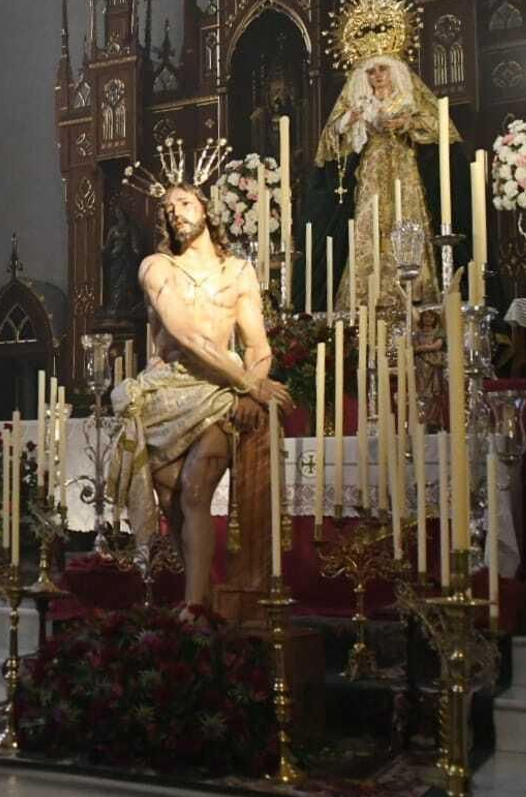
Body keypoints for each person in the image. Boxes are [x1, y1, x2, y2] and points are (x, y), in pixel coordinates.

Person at [111, 179, 295, 607]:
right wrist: (250, 383)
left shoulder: (238, 272)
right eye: (168, 208)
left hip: (216, 392)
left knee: (195, 490)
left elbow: (257, 347)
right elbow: (186, 333)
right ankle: (206, 602)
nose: (175, 211)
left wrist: (248, 392)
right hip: (164, 393)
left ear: (206, 209)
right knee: (172, 496)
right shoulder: (157, 266)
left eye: (184, 202)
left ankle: (194, 611)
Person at [312, 53, 459, 307]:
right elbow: (331, 137)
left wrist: (407, 122)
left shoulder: (407, 98)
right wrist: (350, 121)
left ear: (394, 72)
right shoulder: (360, 102)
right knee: (371, 223)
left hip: (402, 166)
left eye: (382, 69)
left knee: (406, 221)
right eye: (371, 71)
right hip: (373, 168)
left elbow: (440, 124)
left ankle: (415, 295)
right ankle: (366, 297)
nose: (377, 76)